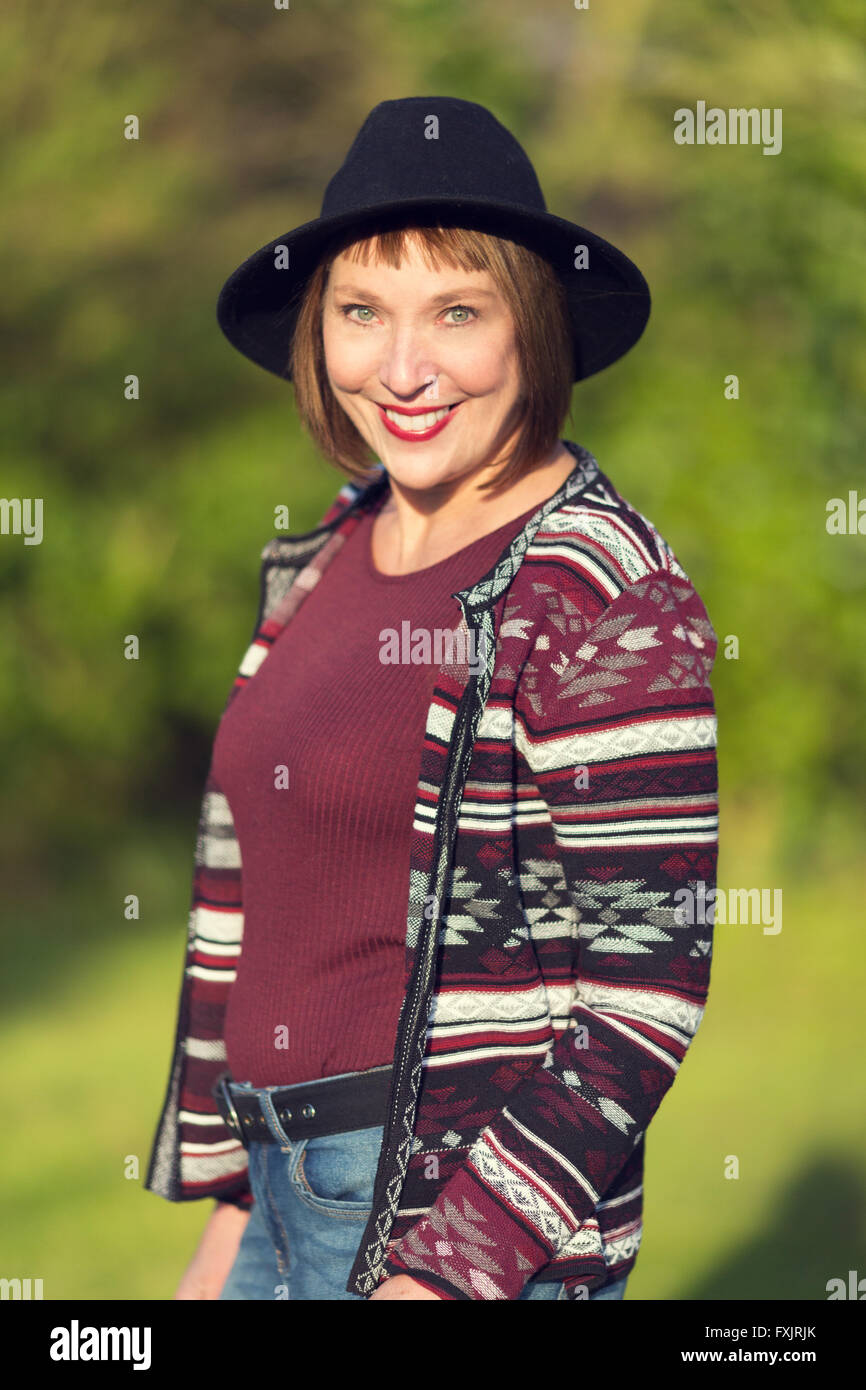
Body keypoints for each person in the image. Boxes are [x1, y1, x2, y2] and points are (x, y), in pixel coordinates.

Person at [144, 96, 719, 1302]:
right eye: (361, 312)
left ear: (534, 331)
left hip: (449, 1222)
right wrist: (235, 1224)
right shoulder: (327, 558)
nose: (400, 369)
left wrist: (446, 1277)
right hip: (277, 1187)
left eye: (456, 313)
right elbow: (289, 914)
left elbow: (640, 996)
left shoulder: (600, 592)